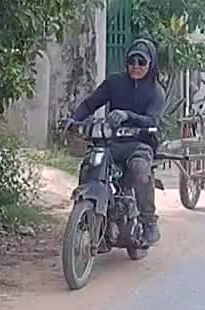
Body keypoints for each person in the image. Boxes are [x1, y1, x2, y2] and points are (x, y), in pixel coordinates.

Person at [65, 39, 166, 247]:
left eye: (141, 62)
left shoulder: (156, 91)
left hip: (140, 145)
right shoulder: (115, 82)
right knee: (90, 164)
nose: (136, 66)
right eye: (132, 61)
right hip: (111, 143)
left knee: (139, 168)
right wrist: (74, 119)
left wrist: (128, 115)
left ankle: (149, 223)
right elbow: (90, 104)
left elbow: (152, 120)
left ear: (151, 64)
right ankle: (88, 218)